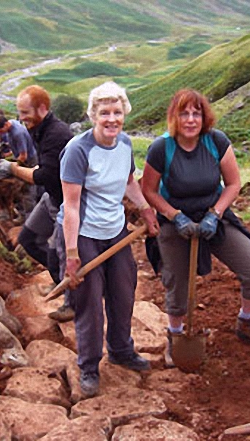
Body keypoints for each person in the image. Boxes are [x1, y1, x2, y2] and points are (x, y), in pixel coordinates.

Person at [141, 88, 250, 368]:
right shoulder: (160, 148)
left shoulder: (216, 141)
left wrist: (215, 214)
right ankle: (175, 336)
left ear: (204, 117)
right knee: (178, 282)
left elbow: (234, 184)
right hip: (175, 221)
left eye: (196, 113)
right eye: (184, 113)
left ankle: (247, 321)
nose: (190, 119)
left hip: (213, 217)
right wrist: (174, 216)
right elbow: (149, 190)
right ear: (174, 117)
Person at [55, 81, 159, 398]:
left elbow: (128, 182)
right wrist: (72, 254)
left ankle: (121, 350)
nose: (111, 119)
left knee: (123, 293)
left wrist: (145, 209)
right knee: (89, 303)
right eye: (104, 113)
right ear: (93, 115)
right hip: (82, 233)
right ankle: (88, 367)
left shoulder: (125, 144)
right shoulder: (78, 150)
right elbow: (71, 207)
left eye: (117, 112)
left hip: (115, 231)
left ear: (124, 113)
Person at [0, 85, 74, 321]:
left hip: (66, 203)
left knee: (59, 254)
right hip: (52, 196)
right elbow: (46, 168)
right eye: (19, 113)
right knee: (28, 239)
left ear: (42, 108)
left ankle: (73, 302)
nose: (21, 118)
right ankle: (61, 281)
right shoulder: (39, 128)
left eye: (25, 112)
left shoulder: (56, 134)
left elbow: (44, 176)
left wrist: (14, 169)